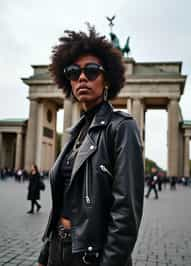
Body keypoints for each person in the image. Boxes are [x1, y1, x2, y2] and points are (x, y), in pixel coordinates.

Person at [38, 25, 144, 266]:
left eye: (92, 70)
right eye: (74, 72)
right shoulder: (74, 134)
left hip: (90, 257)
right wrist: (45, 255)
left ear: (107, 78)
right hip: (59, 249)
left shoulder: (122, 127)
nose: (82, 77)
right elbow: (62, 201)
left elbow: (126, 214)